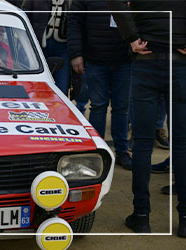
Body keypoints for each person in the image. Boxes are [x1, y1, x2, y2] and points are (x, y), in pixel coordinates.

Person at [107, 0, 186, 236]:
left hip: (147, 59)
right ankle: (184, 219)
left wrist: (131, 38)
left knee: (142, 145)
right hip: (178, 61)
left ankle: (142, 216)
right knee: (181, 144)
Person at [67, 0, 133, 170]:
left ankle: (122, 151)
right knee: (98, 106)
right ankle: (98, 152)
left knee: (121, 107)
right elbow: (74, 22)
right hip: (95, 59)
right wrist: (76, 54)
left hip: (125, 59)